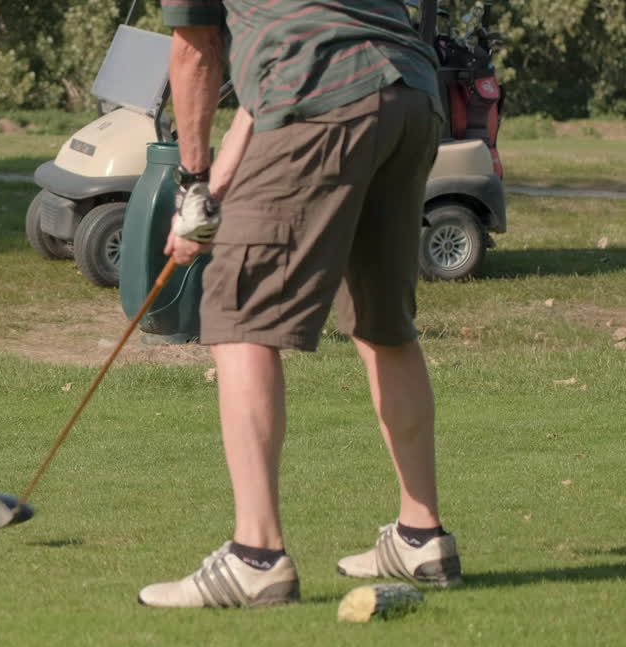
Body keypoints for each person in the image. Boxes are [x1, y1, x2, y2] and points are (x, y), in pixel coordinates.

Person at [138, 0, 462, 608]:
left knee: (239, 315)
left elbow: (195, 48)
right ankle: (421, 537)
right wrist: (212, 191)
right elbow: (266, 83)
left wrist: (191, 183)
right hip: (411, 96)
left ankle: (255, 558)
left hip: (322, 94)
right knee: (383, 321)